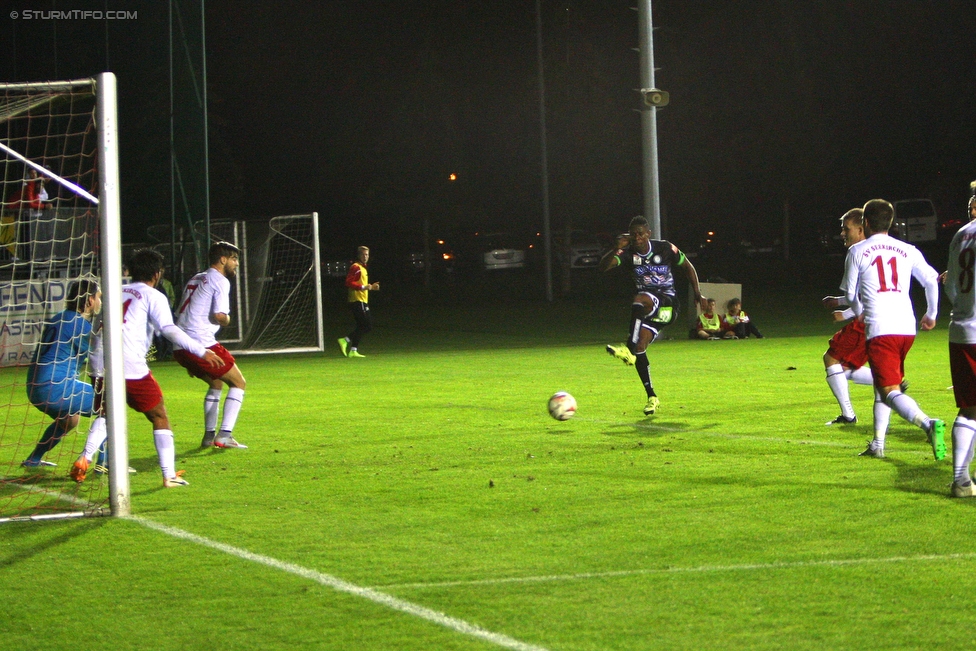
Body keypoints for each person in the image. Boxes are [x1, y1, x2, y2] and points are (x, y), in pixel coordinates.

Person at [100, 249, 221, 488]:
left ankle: (89, 459)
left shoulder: (115, 292)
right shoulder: (152, 295)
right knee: (159, 416)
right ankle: (169, 475)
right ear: (157, 274)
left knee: (106, 416)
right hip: (130, 366)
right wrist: (201, 350)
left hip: (102, 366)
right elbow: (168, 328)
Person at [840, 199, 944, 460]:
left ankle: (927, 423)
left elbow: (851, 294)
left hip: (881, 328)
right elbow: (931, 279)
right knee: (883, 386)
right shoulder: (907, 249)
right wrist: (931, 314)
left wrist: (859, 310)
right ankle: (878, 444)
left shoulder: (858, 251)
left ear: (865, 223)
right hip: (907, 328)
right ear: (891, 222)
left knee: (889, 392)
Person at [602, 215, 707, 415]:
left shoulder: (665, 248)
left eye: (641, 234)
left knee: (640, 298)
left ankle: (628, 348)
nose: (637, 238)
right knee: (641, 345)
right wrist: (616, 248)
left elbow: (688, 266)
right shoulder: (627, 252)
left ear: (648, 234)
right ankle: (652, 397)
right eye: (633, 235)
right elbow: (604, 266)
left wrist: (697, 292)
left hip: (668, 304)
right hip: (650, 312)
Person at [173, 241, 248, 449]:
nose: (236, 264)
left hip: (180, 345)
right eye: (234, 259)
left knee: (216, 383)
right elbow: (219, 315)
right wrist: (228, 320)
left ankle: (208, 437)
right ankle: (224, 435)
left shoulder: (196, 277)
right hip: (201, 342)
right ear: (223, 259)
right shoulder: (220, 280)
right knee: (239, 383)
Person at [20, 279, 101, 468]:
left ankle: (33, 460)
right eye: (98, 298)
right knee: (109, 405)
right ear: (89, 301)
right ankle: (104, 464)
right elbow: (100, 355)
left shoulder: (58, 318)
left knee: (70, 420)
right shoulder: (80, 325)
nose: (100, 302)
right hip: (55, 387)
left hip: (34, 387)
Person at [821, 209, 877, 426]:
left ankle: (848, 415)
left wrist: (844, 313)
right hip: (886, 320)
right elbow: (866, 293)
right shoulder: (879, 250)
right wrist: (839, 300)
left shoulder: (857, 252)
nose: (842, 234)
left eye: (846, 229)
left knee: (832, 359)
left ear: (861, 229)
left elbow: (862, 298)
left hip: (866, 321)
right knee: (843, 367)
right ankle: (890, 382)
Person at [942, 195, 976, 496]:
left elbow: (950, 285)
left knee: (969, 409)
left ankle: (961, 480)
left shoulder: (959, 235)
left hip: (962, 330)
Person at [338, 245, 380, 358]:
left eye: (367, 254)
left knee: (362, 325)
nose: (366, 257)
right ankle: (345, 340)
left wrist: (371, 287)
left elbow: (364, 286)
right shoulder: (356, 267)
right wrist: (364, 287)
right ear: (359, 255)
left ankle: (353, 350)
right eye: (363, 254)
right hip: (357, 300)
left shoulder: (363, 268)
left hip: (362, 300)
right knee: (367, 325)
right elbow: (348, 282)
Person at [1, 167, 51, 261]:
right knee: (10, 234)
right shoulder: (29, 187)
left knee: (18, 234)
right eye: (40, 185)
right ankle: (9, 257)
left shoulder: (36, 190)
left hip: (17, 212)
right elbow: (30, 203)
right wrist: (44, 207)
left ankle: (16, 256)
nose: (41, 187)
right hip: (10, 211)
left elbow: (37, 201)